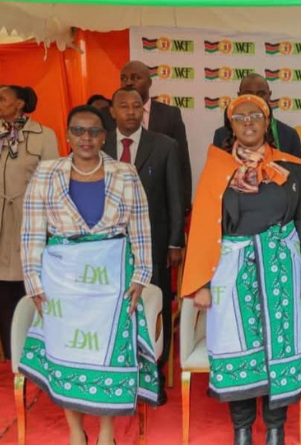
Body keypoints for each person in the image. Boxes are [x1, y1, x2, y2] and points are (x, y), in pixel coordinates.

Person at [180, 94, 301, 445]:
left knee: (281, 346)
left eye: (256, 116)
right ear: (230, 126)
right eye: (240, 117)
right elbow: (203, 226)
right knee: (237, 345)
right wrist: (202, 283)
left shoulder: (291, 167)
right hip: (232, 271)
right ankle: (242, 430)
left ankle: (276, 429)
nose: (248, 123)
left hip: (282, 269)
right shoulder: (217, 168)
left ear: (268, 122)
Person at [18, 105, 158, 445]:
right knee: (67, 355)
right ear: (67, 135)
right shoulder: (47, 173)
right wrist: (34, 283)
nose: (86, 138)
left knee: (109, 356)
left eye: (94, 131)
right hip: (61, 282)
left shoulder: (124, 173)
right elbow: (32, 232)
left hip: (112, 280)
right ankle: (75, 433)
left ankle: (106, 434)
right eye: (78, 131)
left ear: (104, 137)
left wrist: (141, 275)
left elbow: (141, 228)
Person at [103, 87, 184, 403]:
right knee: (114, 308)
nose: (131, 112)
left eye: (136, 106)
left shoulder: (164, 146)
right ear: (112, 112)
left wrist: (175, 242)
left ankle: (154, 376)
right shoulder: (98, 144)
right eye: (123, 106)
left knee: (153, 307)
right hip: (107, 247)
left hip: (152, 244)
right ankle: (115, 373)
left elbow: (175, 198)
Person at [0, 85, 58, 356]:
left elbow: (52, 181)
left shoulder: (43, 135)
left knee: (25, 280)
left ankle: (27, 344)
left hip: (27, 219)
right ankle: (0, 343)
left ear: (19, 104)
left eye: (2, 99)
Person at [103, 60, 192, 214]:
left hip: (157, 207)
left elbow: (182, 162)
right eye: (124, 78)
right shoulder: (106, 115)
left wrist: (184, 206)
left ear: (150, 82)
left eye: (135, 77)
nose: (128, 82)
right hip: (113, 207)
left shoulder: (170, 115)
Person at [212, 73, 301, 159]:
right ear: (239, 96)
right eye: (249, 94)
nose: (255, 98)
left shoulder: (290, 135)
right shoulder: (221, 135)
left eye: (261, 94)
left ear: (269, 95)